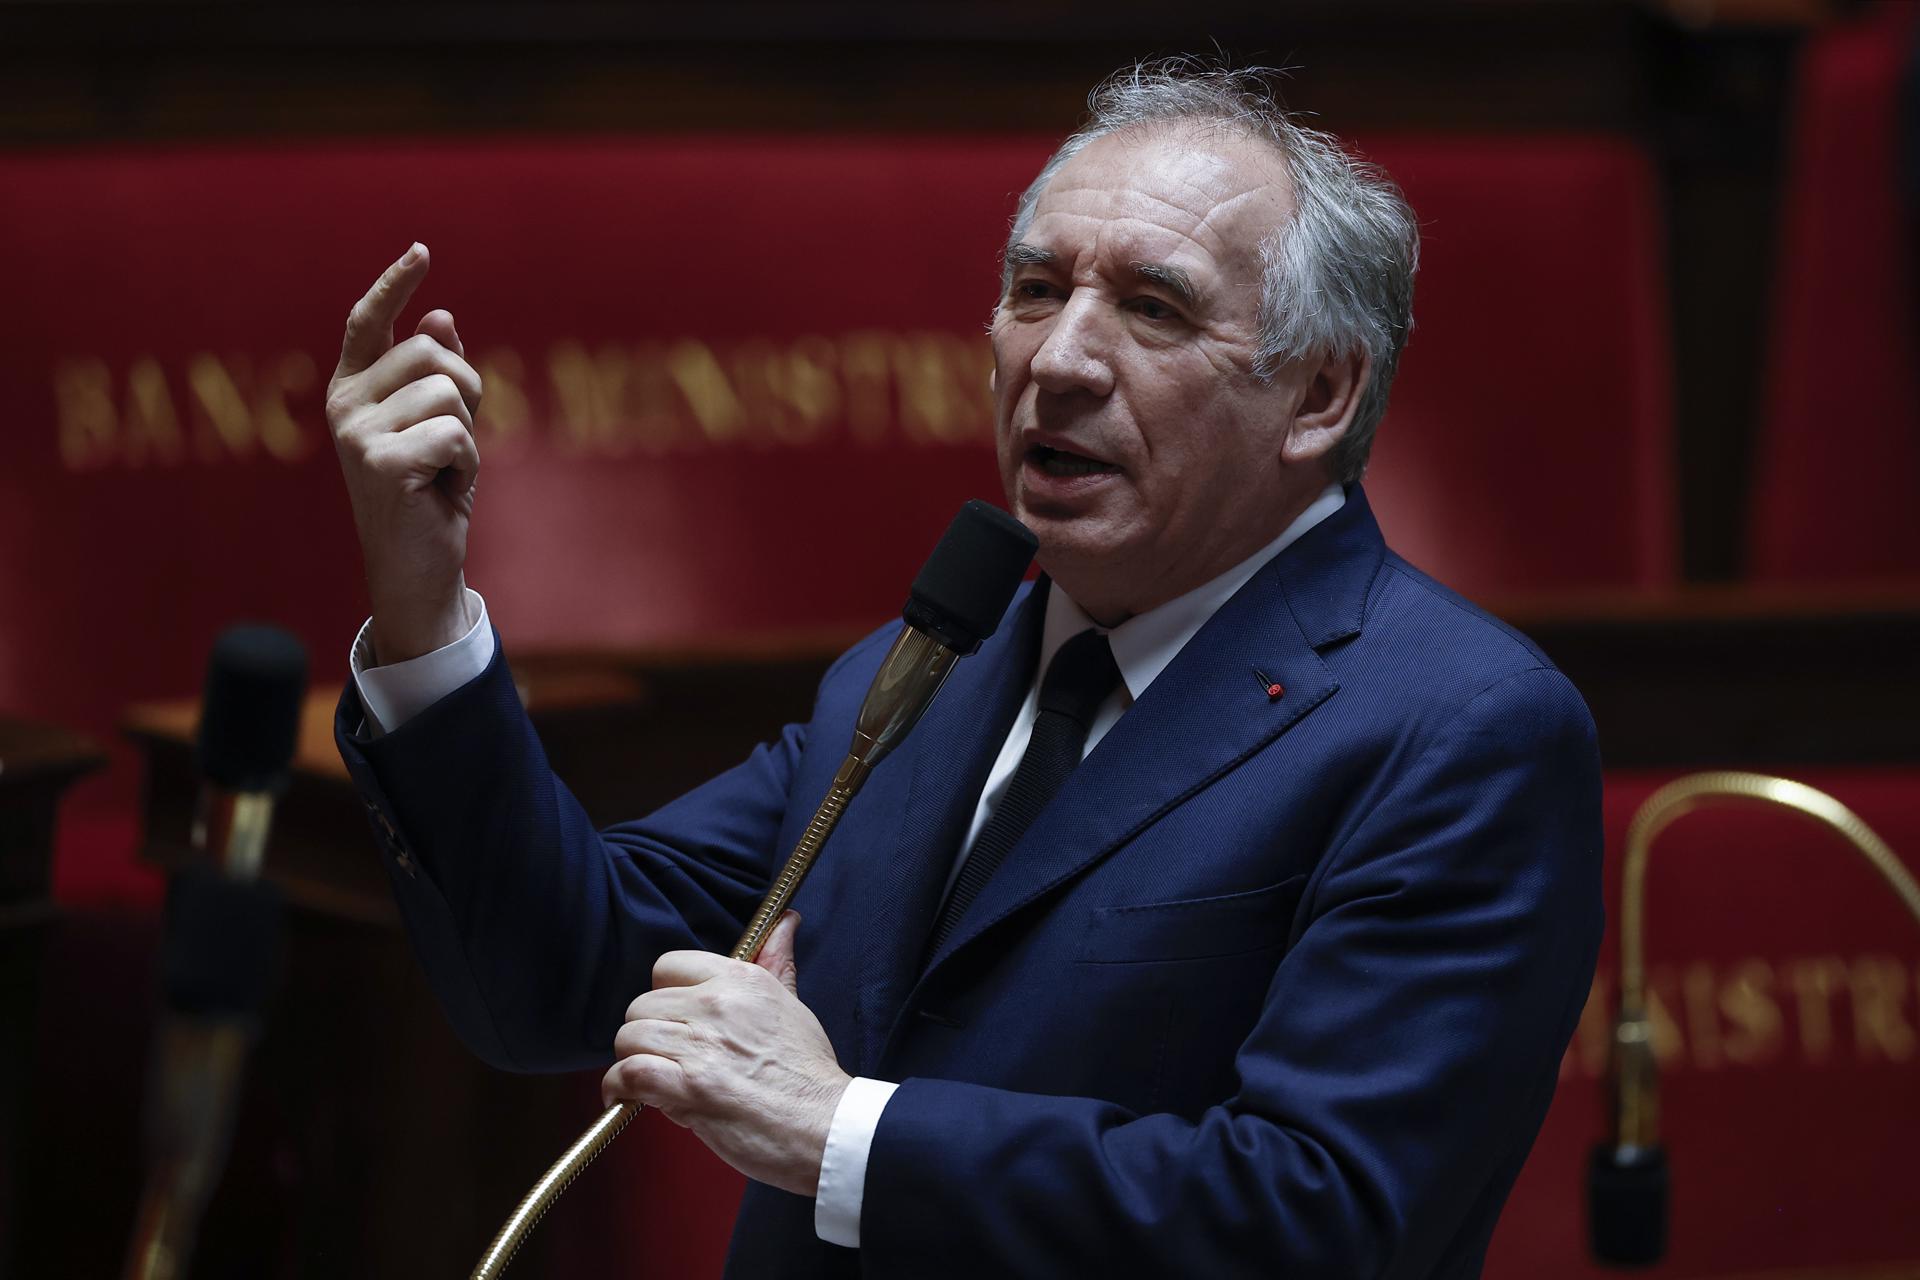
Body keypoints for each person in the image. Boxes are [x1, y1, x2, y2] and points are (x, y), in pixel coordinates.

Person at [329, 61, 1603, 1279]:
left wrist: (841, 1131)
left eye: (1152, 308)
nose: (1059, 360)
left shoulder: (1458, 728)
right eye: (1036, 290)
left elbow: (1319, 1217)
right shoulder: (922, 669)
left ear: (1320, 392)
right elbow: (554, 978)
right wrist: (423, 602)